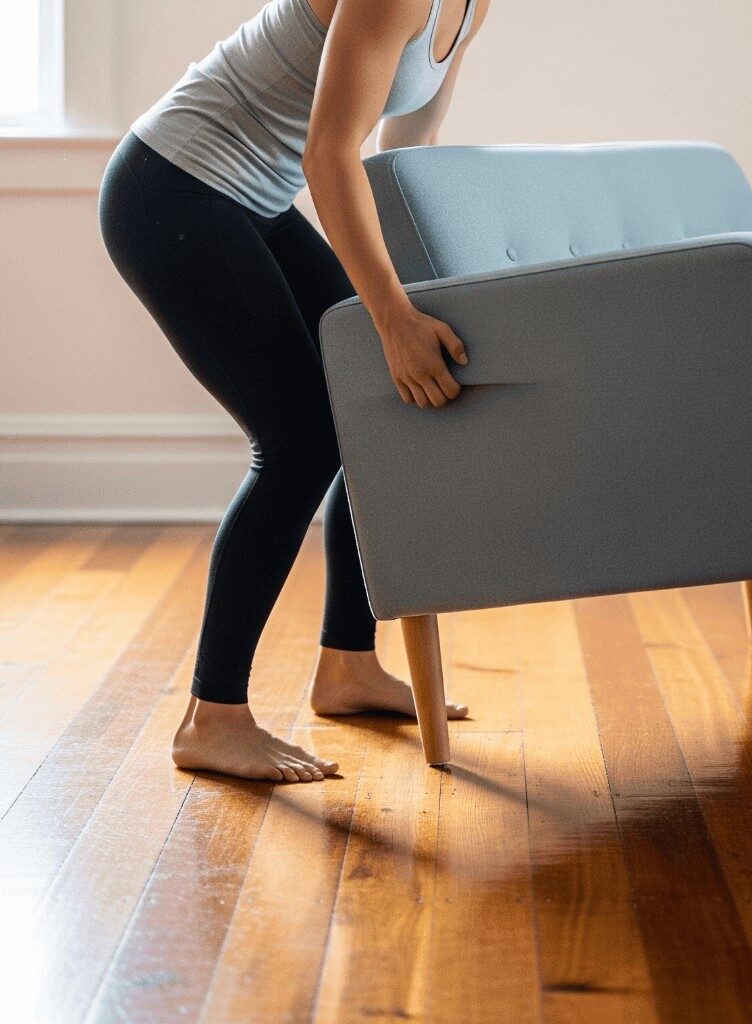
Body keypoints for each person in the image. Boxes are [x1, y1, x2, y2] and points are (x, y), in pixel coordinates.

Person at [98, 0, 489, 783]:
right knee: (300, 438)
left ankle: (347, 667)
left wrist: (421, 299)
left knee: (372, 412)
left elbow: (406, 143)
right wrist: (389, 318)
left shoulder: (473, 7)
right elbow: (329, 153)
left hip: (257, 200)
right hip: (173, 188)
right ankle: (213, 718)